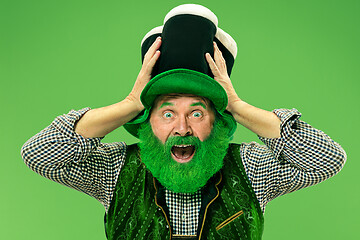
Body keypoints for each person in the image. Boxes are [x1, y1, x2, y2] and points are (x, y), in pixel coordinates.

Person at [21, 4, 346, 240]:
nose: (182, 128)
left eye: (196, 112)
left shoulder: (250, 167)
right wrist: (130, 103)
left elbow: (327, 160)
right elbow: (38, 154)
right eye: (166, 113)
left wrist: (236, 105)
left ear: (217, 122)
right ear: (147, 121)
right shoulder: (114, 169)